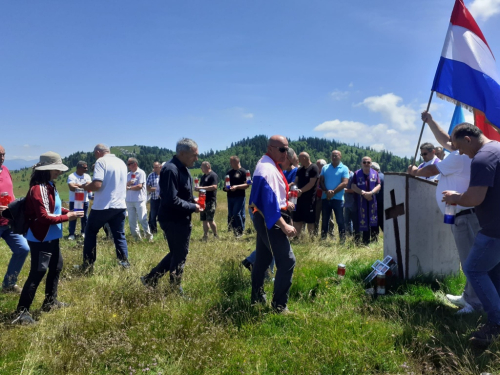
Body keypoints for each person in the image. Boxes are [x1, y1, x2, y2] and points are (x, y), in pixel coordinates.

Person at [409, 112, 482, 315]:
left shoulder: (459, 158)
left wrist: (414, 172)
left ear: (466, 139)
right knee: (468, 258)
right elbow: (445, 139)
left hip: (465, 215)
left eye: (455, 142)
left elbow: (432, 170)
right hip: (463, 215)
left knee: (470, 261)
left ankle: (475, 304)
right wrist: (430, 121)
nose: (451, 145)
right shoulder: (464, 152)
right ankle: (469, 296)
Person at [442, 123, 500, 345]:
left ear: (468, 139)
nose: (459, 152)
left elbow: (475, 198)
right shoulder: (496, 148)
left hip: (494, 229)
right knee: (493, 273)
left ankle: (496, 323)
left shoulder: (482, 159)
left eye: (459, 147)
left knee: (473, 268)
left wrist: (456, 197)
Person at [12, 152, 84, 324]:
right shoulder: (38, 189)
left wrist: (69, 212)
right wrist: (69, 217)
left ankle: (50, 302)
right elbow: (44, 217)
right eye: (56, 169)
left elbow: (55, 209)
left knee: (56, 266)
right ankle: (22, 313)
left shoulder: (49, 185)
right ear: (47, 169)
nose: (59, 173)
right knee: (37, 273)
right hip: (41, 238)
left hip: (52, 237)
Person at [141, 138, 201, 294]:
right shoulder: (170, 169)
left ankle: (150, 278)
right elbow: (170, 199)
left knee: (177, 252)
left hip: (180, 217)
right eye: (194, 155)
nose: (196, 158)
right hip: (173, 219)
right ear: (182, 153)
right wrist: (192, 207)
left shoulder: (183, 168)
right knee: (180, 253)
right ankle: (175, 289)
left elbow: (180, 193)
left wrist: (192, 200)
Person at [249, 135, 297, 314]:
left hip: (268, 218)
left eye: (287, 149)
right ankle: (279, 306)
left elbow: (273, 198)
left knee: (262, 260)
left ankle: (257, 298)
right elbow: (266, 204)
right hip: (271, 220)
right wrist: (284, 225)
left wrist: (285, 203)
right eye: (282, 149)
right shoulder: (266, 169)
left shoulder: (269, 165)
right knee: (287, 261)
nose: (287, 153)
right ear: (271, 148)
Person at [80, 144, 130, 272]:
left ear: (98, 152)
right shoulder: (121, 162)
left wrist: (86, 187)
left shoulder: (101, 161)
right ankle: (124, 264)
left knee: (90, 232)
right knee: (119, 235)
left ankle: (88, 264)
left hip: (103, 205)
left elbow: (97, 184)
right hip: (120, 205)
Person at [0, 145, 30, 294]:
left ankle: (9, 284)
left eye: (3, 154)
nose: (2, 158)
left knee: (23, 249)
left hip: (8, 222)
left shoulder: (5, 170)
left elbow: (9, 193)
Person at [319, 150, 349, 241]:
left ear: (340, 156)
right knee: (324, 220)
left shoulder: (344, 168)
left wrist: (333, 192)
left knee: (340, 220)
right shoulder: (325, 167)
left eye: (336, 155)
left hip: (338, 199)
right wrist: (326, 191)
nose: (334, 157)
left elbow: (345, 183)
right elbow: (321, 181)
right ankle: (323, 239)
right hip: (326, 198)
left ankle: (342, 240)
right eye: (332, 155)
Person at [351, 157, 381, 245]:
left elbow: (378, 185)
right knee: (363, 220)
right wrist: (363, 193)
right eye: (364, 162)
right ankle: (365, 241)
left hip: (372, 199)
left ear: (371, 164)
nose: (366, 164)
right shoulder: (357, 173)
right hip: (361, 201)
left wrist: (371, 193)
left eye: (368, 162)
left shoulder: (375, 173)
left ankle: (375, 240)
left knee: (373, 219)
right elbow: (353, 186)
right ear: (361, 163)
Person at [126, 158, 153, 241]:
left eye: (129, 164)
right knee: (132, 221)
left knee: (142, 219)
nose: (128, 166)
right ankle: (137, 239)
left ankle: (149, 237)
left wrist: (129, 187)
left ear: (135, 164)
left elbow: (139, 186)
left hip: (139, 200)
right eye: (128, 164)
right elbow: (123, 186)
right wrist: (128, 184)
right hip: (129, 200)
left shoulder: (141, 173)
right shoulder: (128, 174)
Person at [293, 152, 319, 236]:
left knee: (310, 220)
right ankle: (297, 238)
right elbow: (296, 181)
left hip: (309, 199)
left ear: (304, 158)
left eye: (299, 159)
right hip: (299, 199)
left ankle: (311, 239)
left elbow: (311, 184)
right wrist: (294, 188)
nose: (298, 160)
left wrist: (300, 191)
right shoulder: (299, 170)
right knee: (297, 219)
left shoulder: (314, 168)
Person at [223, 156, 249, 236]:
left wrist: (237, 187)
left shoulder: (243, 171)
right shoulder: (229, 172)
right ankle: (234, 231)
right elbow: (225, 184)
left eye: (231, 162)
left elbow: (247, 185)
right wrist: (226, 188)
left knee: (236, 213)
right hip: (230, 196)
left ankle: (240, 231)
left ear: (236, 162)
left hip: (239, 196)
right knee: (231, 214)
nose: (230, 164)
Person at [67, 160, 92, 240]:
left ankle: (84, 232)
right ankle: (71, 233)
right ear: (79, 168)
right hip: (74, 200)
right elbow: (71, 187)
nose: (86, 169)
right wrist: (82, 185)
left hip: (85, 200)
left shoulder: (87, 176)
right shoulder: (72, 176)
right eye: (84, 168)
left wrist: (77, 185)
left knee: (84, 217)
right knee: (73, 216)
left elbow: (88, 186)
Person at [195, 161, 218, 240]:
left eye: (202, 167)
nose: (201, 168)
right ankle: (205, 235)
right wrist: (198, 189)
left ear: (207, 166)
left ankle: (215, 235)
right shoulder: (203, 177)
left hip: (210, 200)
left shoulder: (213, 175)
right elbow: (201, 187)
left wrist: (202, 188)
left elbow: (214, 187)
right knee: (204, 219)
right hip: (202, 200)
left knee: (210, 219)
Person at [147, 161, 162, 234]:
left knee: (163, 215)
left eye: (156, 167)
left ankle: (165, 231)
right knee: (153, 216)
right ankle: (153, 231)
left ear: (160, 167)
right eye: (154, 167)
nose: (155, 169)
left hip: (163, 199)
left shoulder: (164, 175)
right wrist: (157, 189)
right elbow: (147, 187)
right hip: (154, 198)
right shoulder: (151, 175)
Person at [371, 162, 384, 234]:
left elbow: (376, 192)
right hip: (384, 203)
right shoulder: (384, 176)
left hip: (377, 203)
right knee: (383, 223)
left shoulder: (375, 177)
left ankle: (374, 240)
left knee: (375, 223)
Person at [343, 169, 358, 237]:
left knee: (354, 221)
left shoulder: (352, 176)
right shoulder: (347, 176)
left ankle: (355, 236)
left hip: (353, 202)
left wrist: (345, 190)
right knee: (347, 221)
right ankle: (349, 235)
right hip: (347, 202)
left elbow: (355, 190)